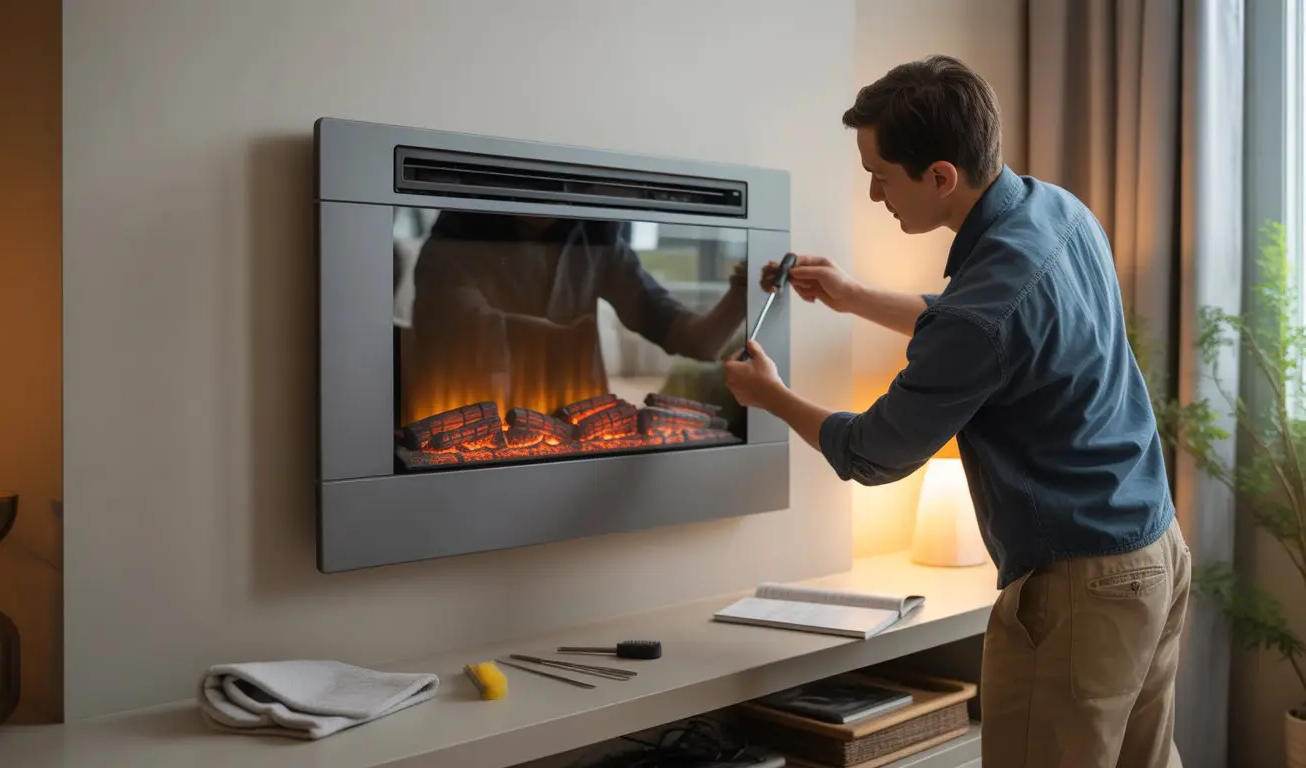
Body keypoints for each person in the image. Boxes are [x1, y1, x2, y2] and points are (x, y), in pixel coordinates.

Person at [724, 54, 1190, 768]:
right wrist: (854, 296)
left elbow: (873, 452)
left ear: (942, 176)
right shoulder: (1055, 209)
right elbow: (989, 333)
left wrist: (772, 395)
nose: (875, 195)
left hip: (1081, 592)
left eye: (880, 175)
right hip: (1154, 555)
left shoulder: (986, 310)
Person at [406, 212, 747, 422]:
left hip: (581, 431)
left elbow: (699, 342)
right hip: (479, 436)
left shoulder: (597, 238)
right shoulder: (453, 243)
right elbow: (456, 330)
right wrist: (563, 340)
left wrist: (742, 294)